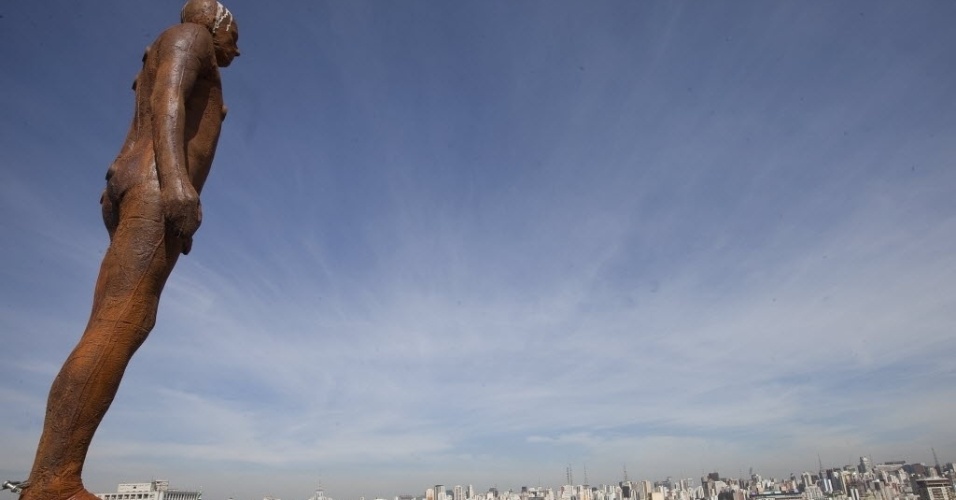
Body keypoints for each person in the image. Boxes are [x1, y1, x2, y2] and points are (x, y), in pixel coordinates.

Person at [20, 2, 240, 499]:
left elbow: (140, 122)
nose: (237, 48)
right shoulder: (192, 37)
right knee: (122, 323)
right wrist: (179, 186)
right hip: (158, 186)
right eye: (234, 34)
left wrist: (119, 195)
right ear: (219, 22)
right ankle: (53, 483)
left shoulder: (165, 44)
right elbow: (169, 100)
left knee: (109, 325)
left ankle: (48, 477)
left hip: (137, 183)